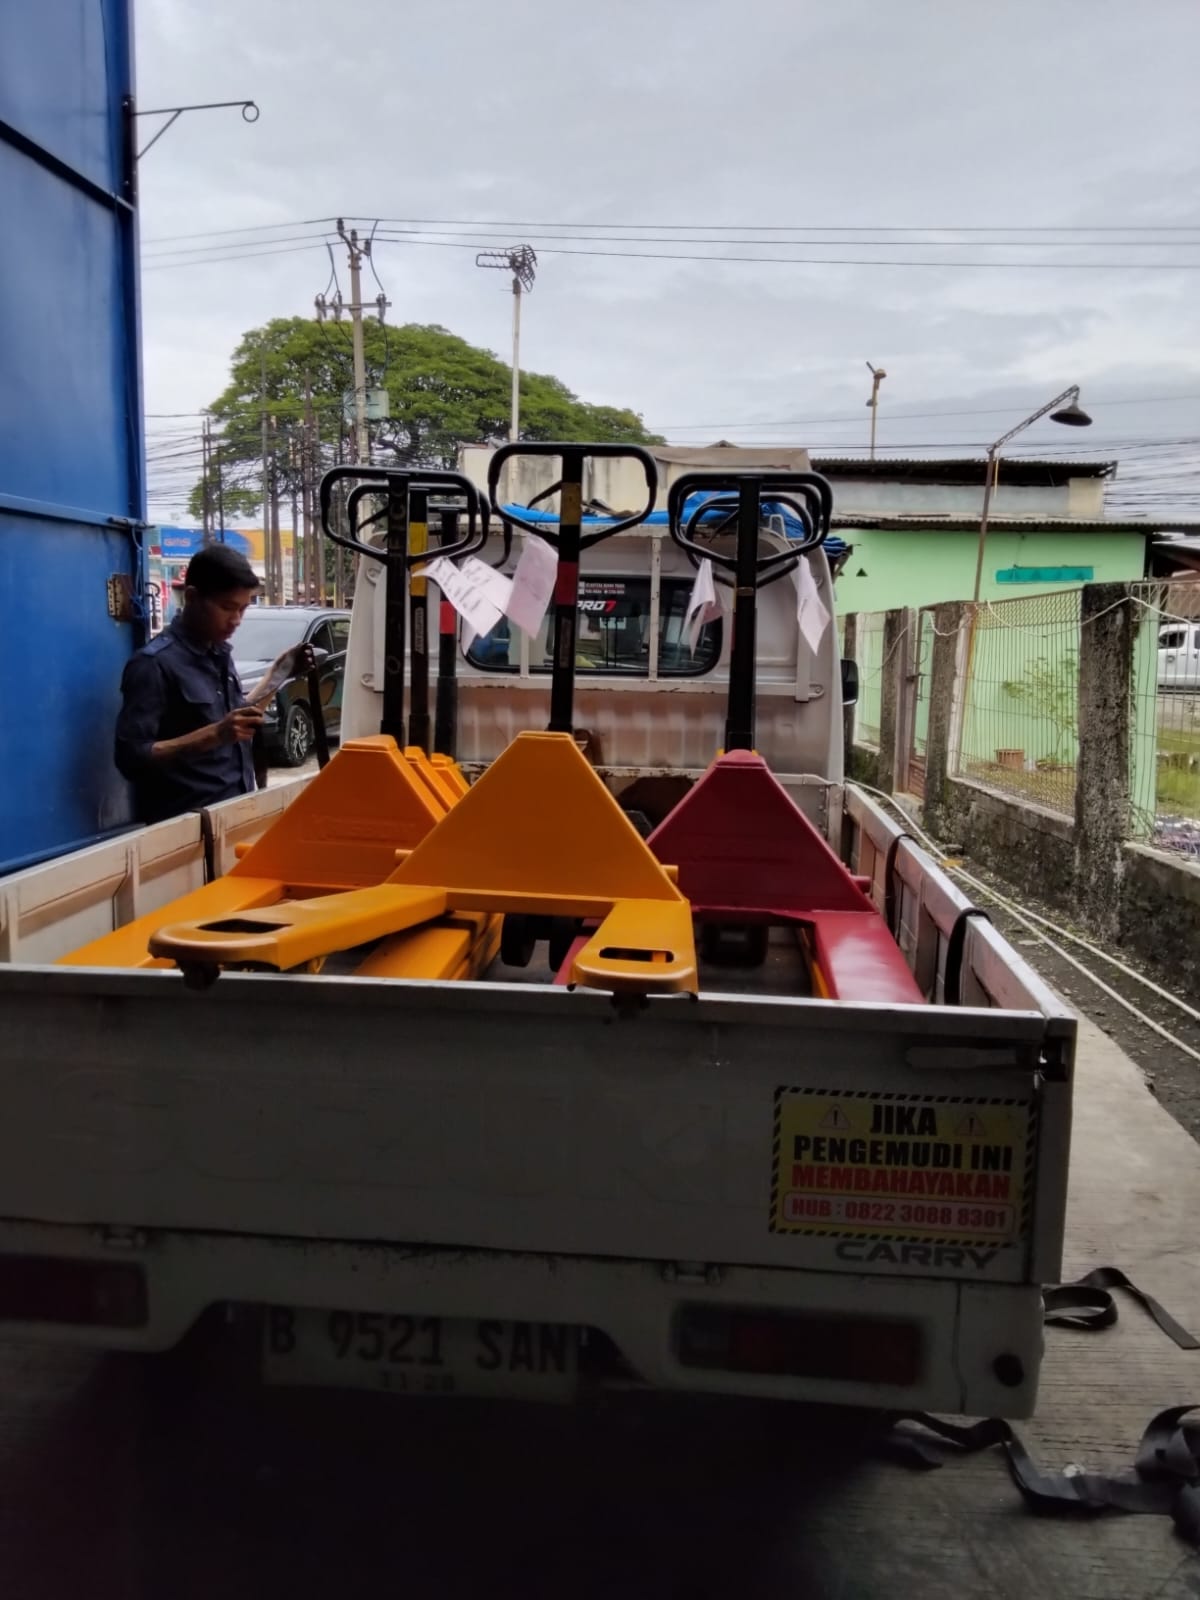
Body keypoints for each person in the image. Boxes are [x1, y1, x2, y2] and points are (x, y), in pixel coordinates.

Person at [115, 545, 265, 823]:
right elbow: (131, 757)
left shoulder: (220, 654)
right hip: (186, 829)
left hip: (238, 815)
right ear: (192, 597)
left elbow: (235, 728)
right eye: (227, 607)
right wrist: (214, 735)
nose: (236, 620)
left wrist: (279, 673)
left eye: (243, 609)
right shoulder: (154, 664)